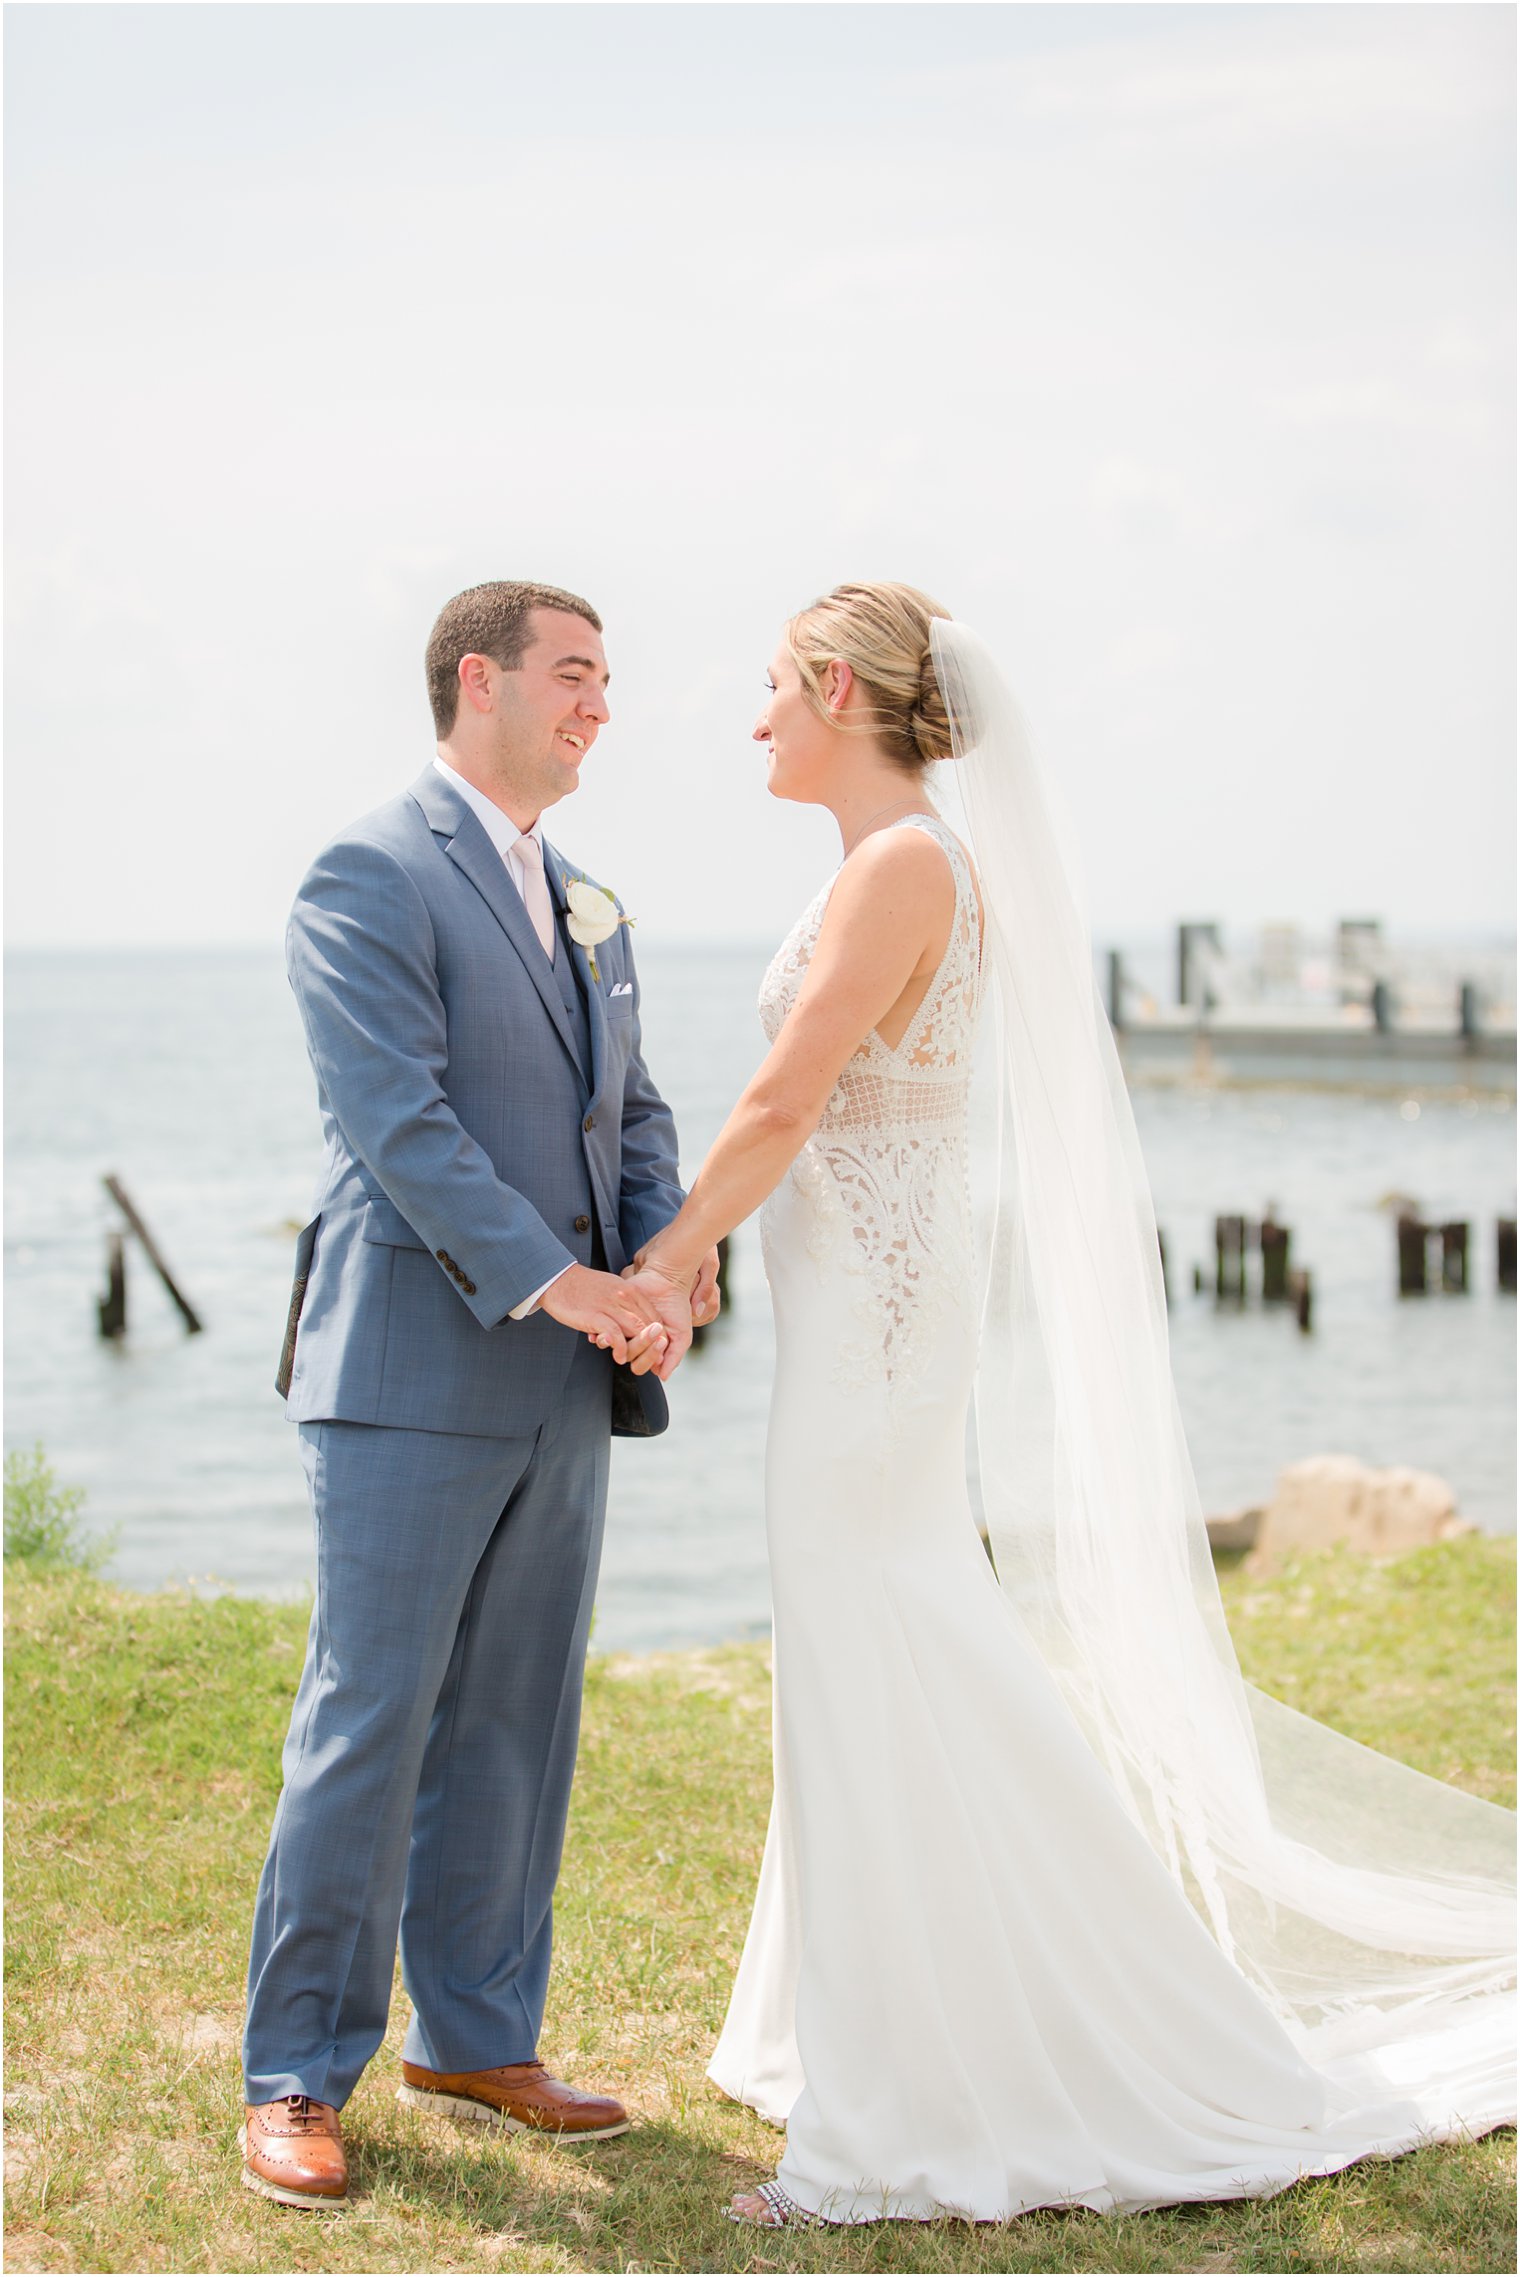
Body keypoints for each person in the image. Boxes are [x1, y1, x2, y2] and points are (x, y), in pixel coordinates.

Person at [627, 581, 1516, 2228]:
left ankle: (918, 2092)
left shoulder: (903, 864)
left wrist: (670, 1263)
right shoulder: (894, 858)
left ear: (837, 686)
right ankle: (862, 2019)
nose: (753, 722)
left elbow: (782, 1097)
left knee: (887, 1622)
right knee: (877, 1625)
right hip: (866, 1306)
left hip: (876, 1329)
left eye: (770, 689)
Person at [241, 580, 713, 2211]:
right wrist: (570, 1283)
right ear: (478, 682)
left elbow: (627, 1110)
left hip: (564, 1384)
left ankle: (479, 2031)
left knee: (519, 1716)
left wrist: (666, 1264)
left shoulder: (588, 897)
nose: (600, 705)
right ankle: (296, 2069)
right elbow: (401, 1122)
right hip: (408, 1367)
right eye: (576, 675)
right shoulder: (369, 868)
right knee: (370, 1718)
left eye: (605, 679)